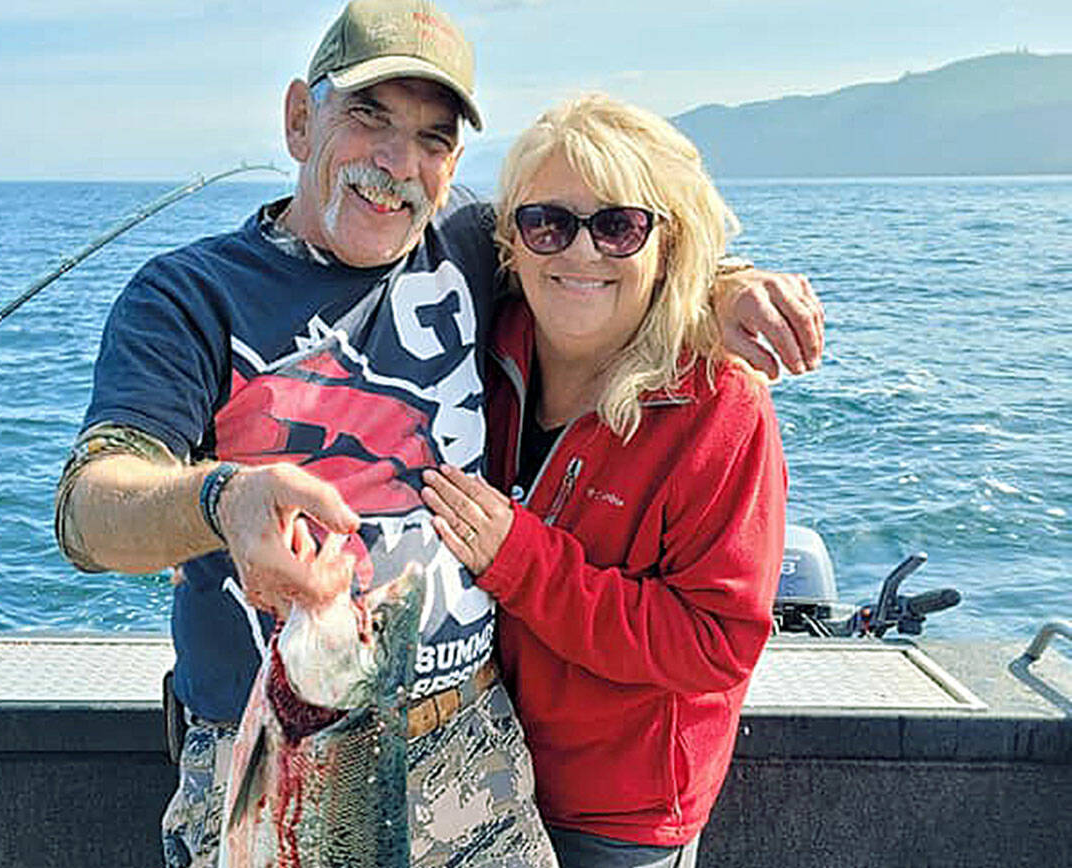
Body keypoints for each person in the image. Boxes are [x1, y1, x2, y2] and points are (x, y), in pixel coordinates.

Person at [52, 2, 818, 866]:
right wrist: (224, 499)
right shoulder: (186, 299)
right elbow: (90, 507)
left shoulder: (467, 246)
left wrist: (720, 286)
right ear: (301, 119)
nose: (396, 162)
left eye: (433, 138)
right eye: (368, 117)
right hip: (271, 741)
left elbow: (598, 252)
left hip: (471, 743)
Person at [420, 93, 788, 868]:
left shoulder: (721, 405)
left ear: (669, 243)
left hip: (613, 811)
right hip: (469, 762)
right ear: (512, 244)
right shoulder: (483, 342)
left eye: (618, 226)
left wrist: (520, 558)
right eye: (546, 223)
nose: (580, 253)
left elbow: (715, 644)